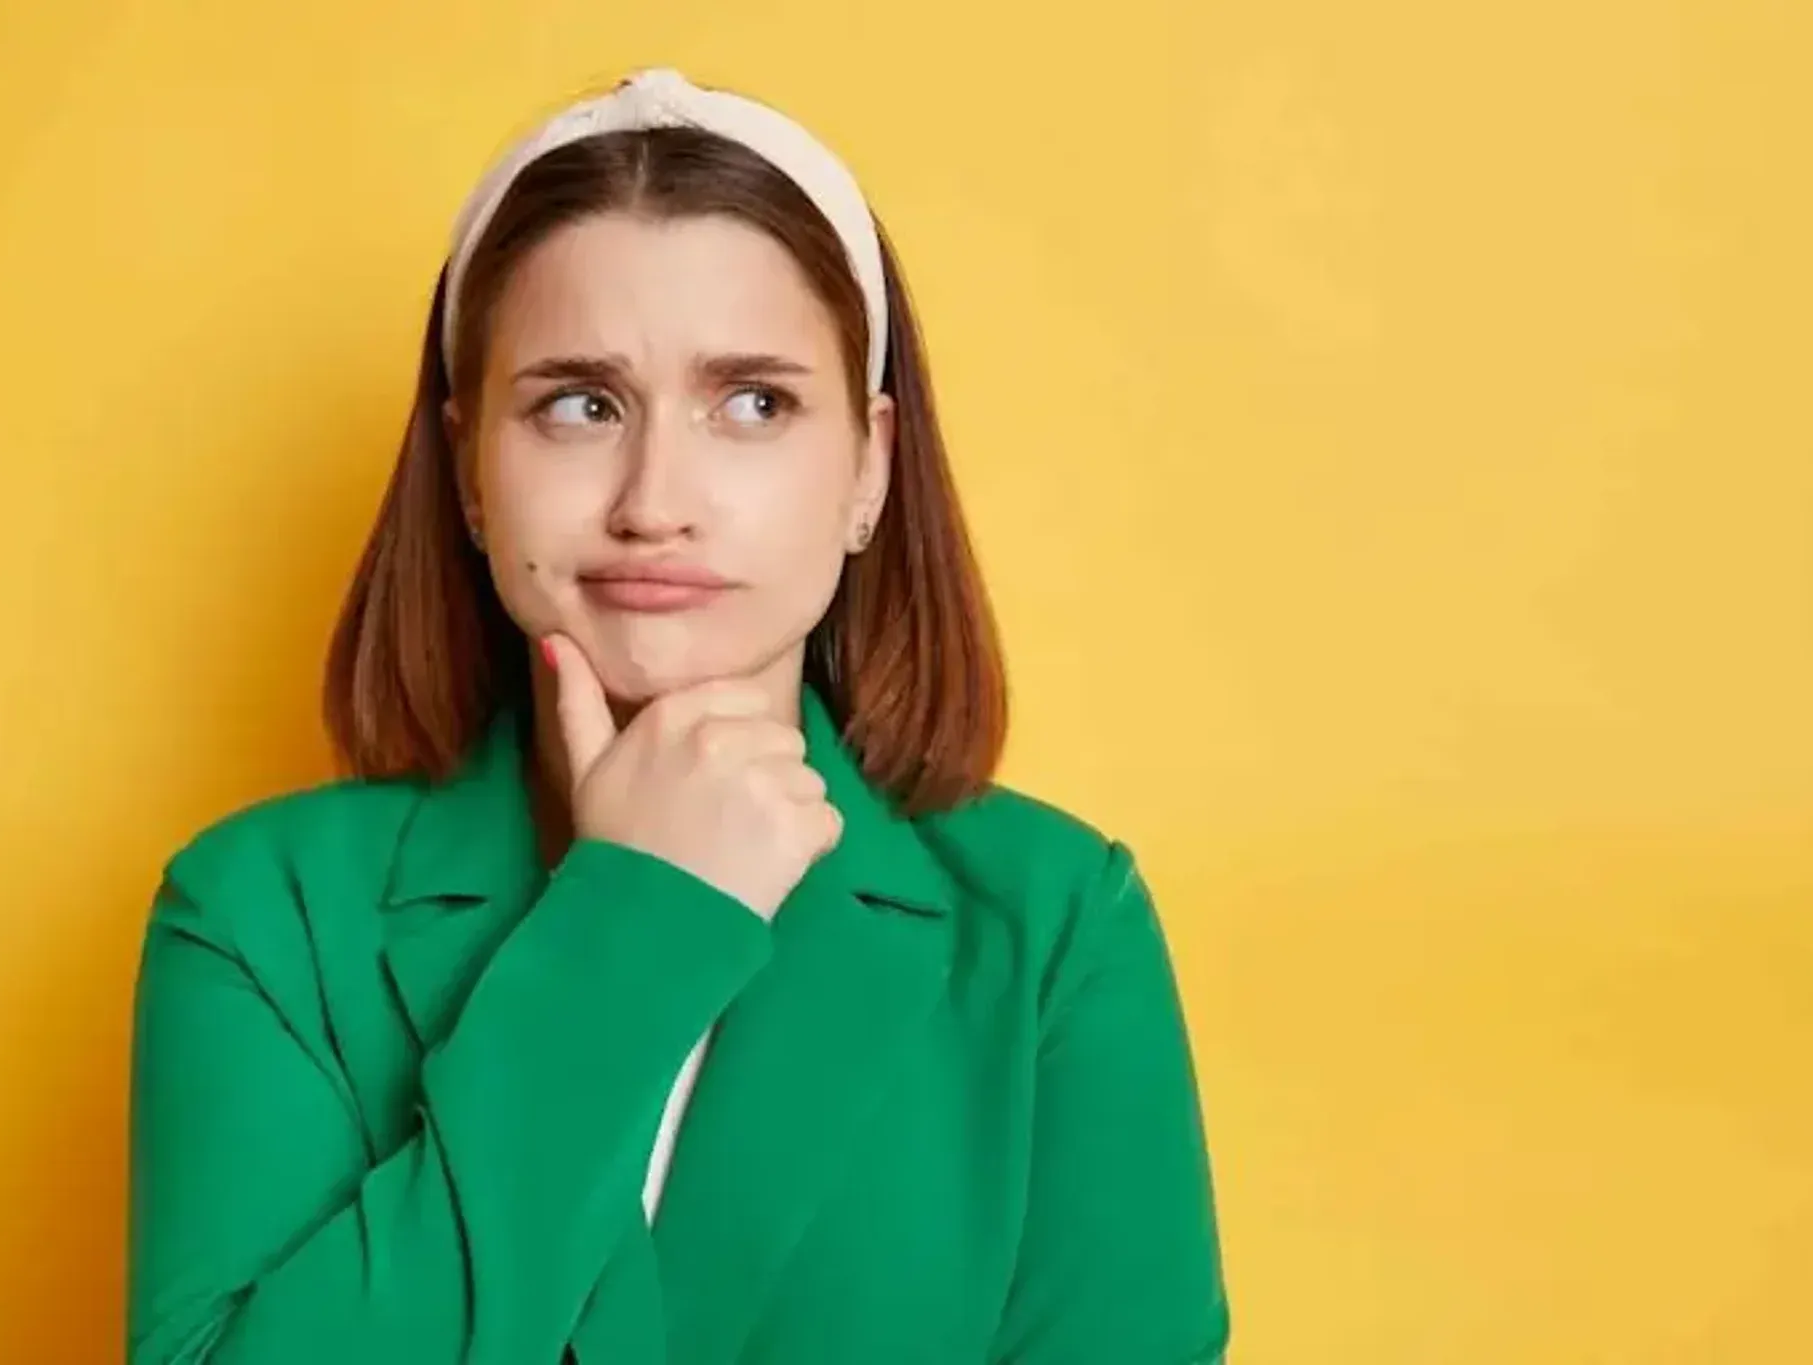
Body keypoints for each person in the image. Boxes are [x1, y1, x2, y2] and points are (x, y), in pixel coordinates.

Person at [126, 68, 1229, 1364]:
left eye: (753, 403)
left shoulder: (1053, 925)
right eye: (579, 405)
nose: (657, 498)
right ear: (472, 465)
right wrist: (635, 924)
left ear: (868, 467)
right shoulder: (261, 912)